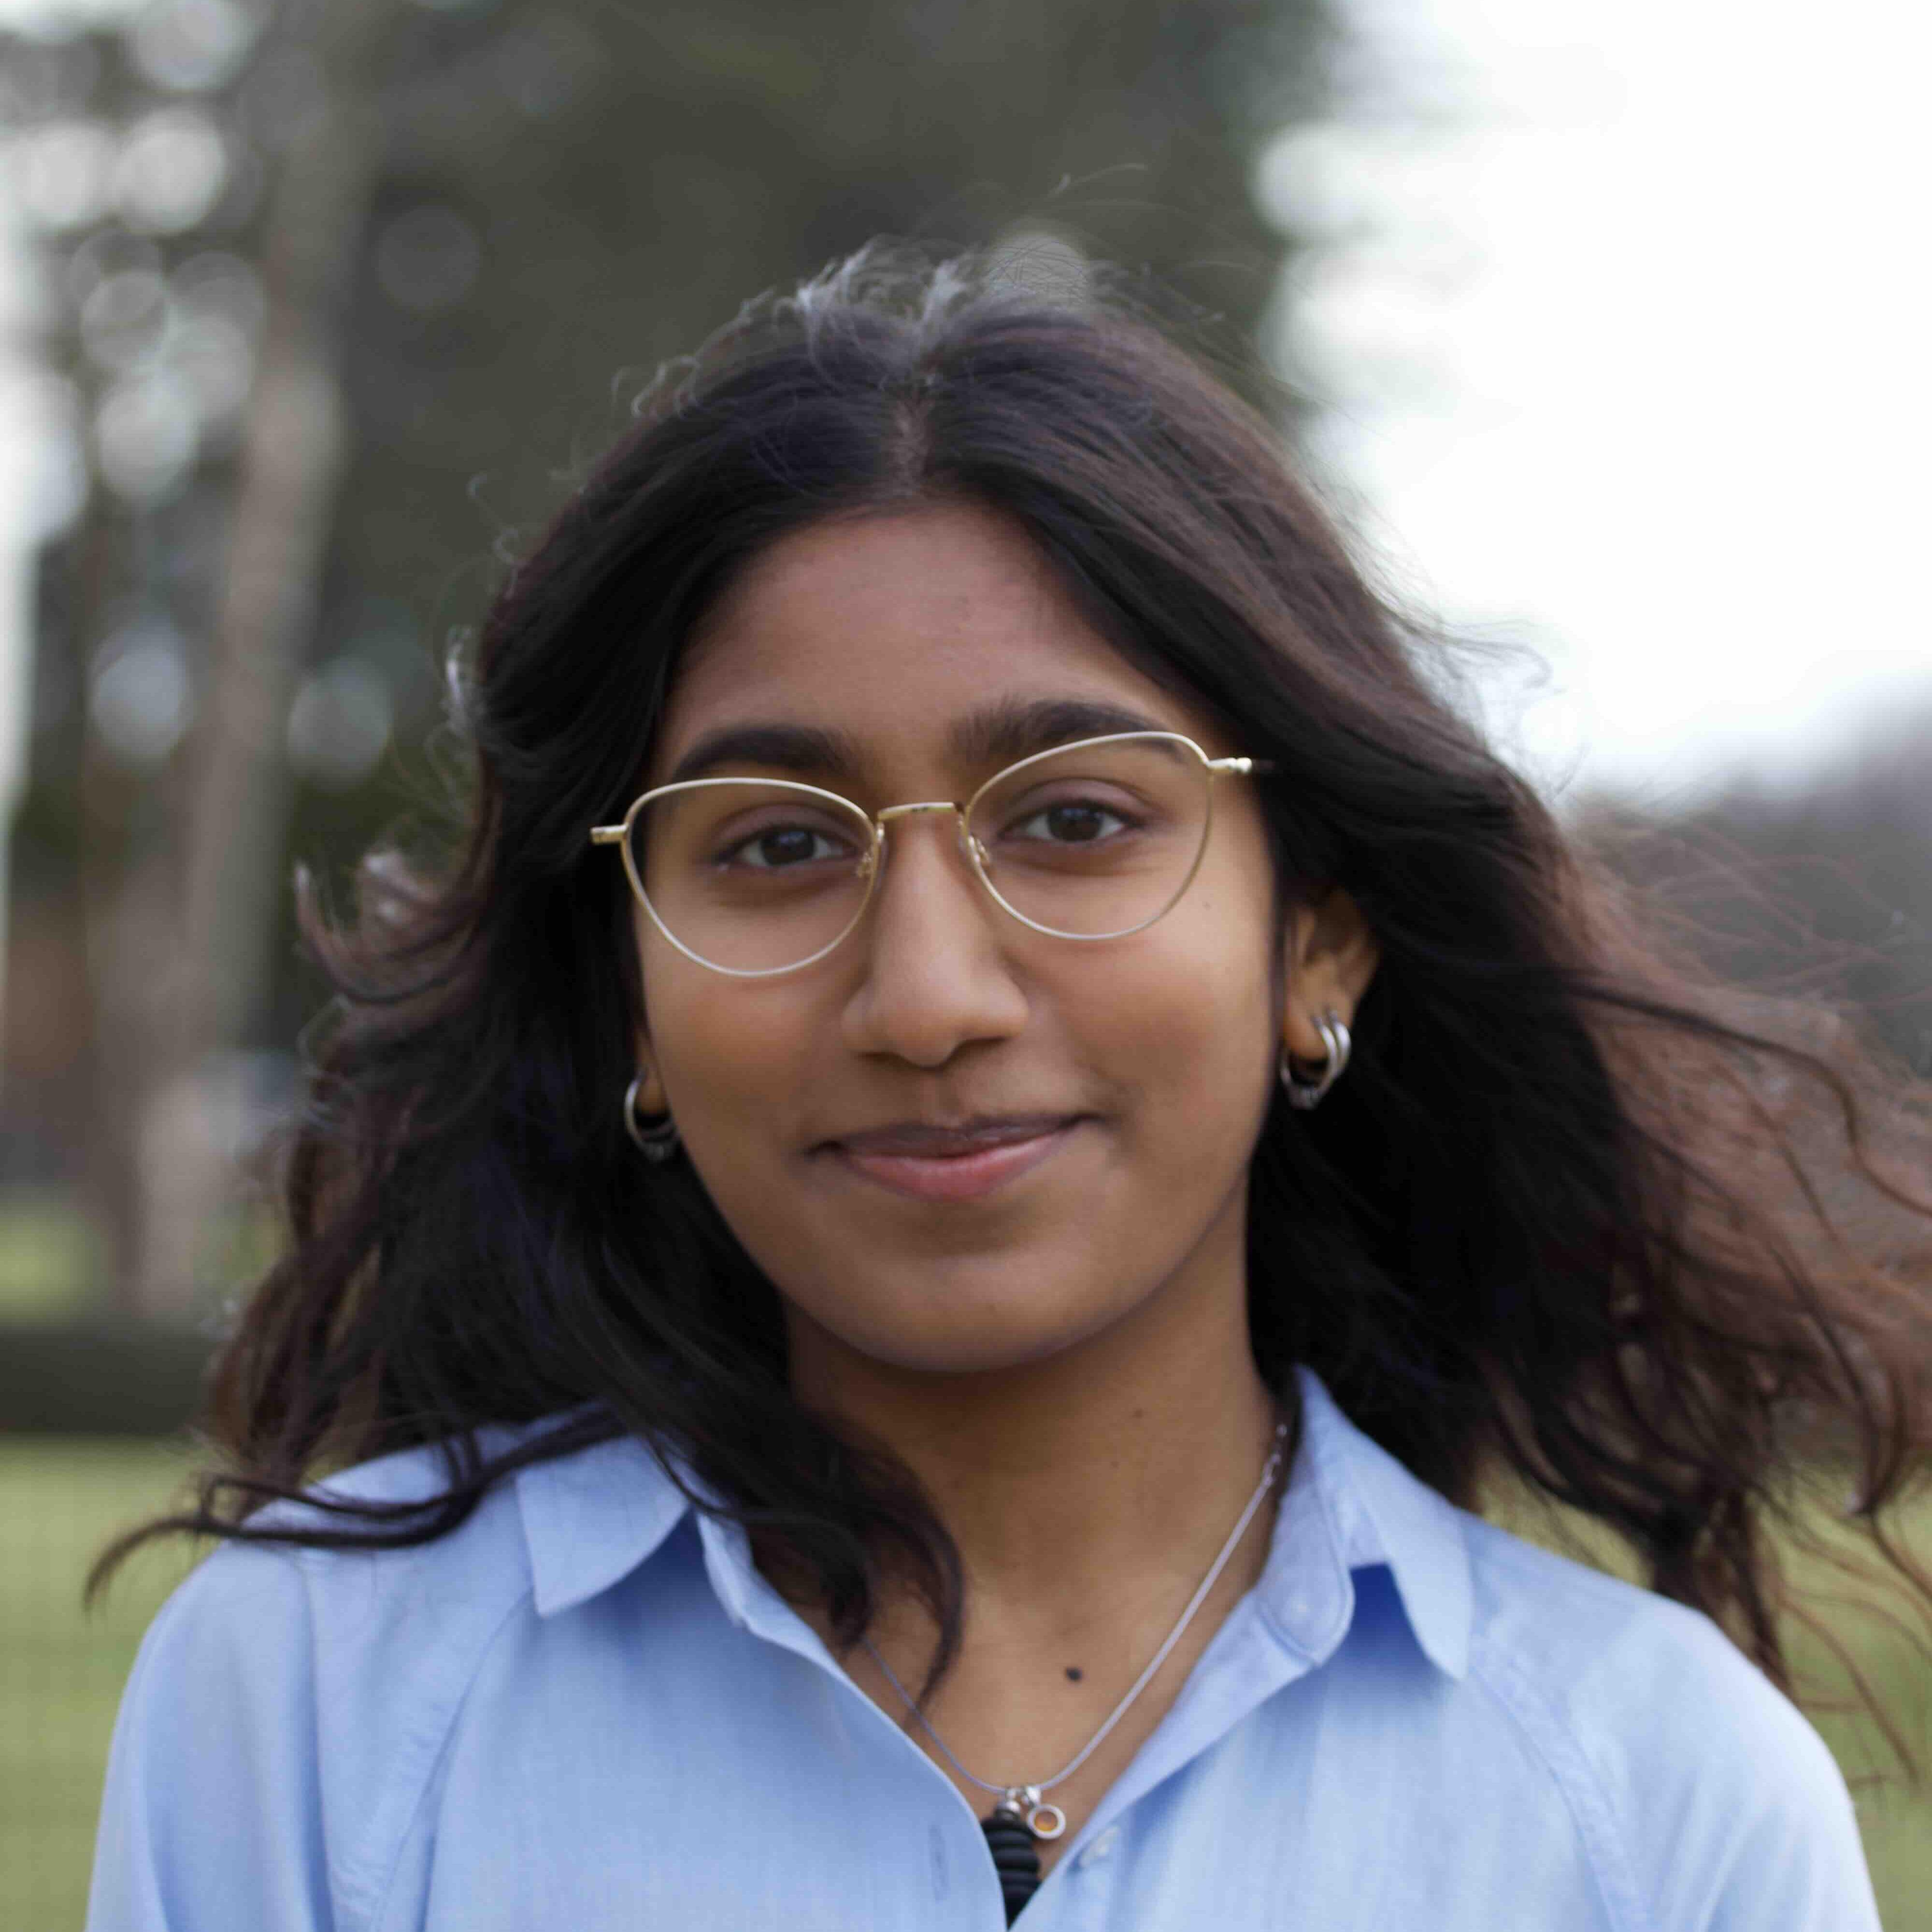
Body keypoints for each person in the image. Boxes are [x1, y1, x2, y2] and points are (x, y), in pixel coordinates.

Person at [87, 247, 1929, 1931]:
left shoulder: (1657, 1802)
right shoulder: (312, 1711)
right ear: (628, 995)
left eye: (1073, 820)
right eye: (780, 845)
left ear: (1319, 945)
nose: (928, 996)